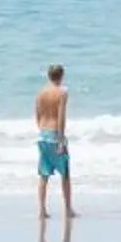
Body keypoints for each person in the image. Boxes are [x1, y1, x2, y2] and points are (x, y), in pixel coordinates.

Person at [35, 64, 74, 224]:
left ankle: (42, 210)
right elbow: (61, 117)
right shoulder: (62, 93)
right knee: (65, 175)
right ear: (61, 76)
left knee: (44, 175)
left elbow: (37, 115)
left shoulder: (40, 93)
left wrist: (43, 130)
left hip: (43, 134)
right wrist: (60, 139)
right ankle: (68, 209)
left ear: (48, 76)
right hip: (55, 135)